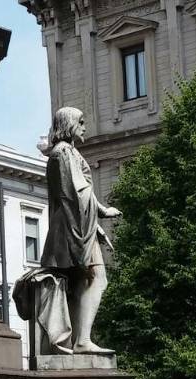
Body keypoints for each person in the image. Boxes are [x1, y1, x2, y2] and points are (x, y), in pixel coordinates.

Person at [37, 107, 121, 354]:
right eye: (81, 122)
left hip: (78, 224)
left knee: (80, 284)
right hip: (73, 227)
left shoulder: (68, 152)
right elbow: (75, 193)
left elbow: (80, 192)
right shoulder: (62, 153)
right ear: (69, 124)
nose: (85, 126)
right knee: (97, 279)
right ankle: (82, 340)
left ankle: (78, 339)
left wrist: (99, 218)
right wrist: (98, 218)